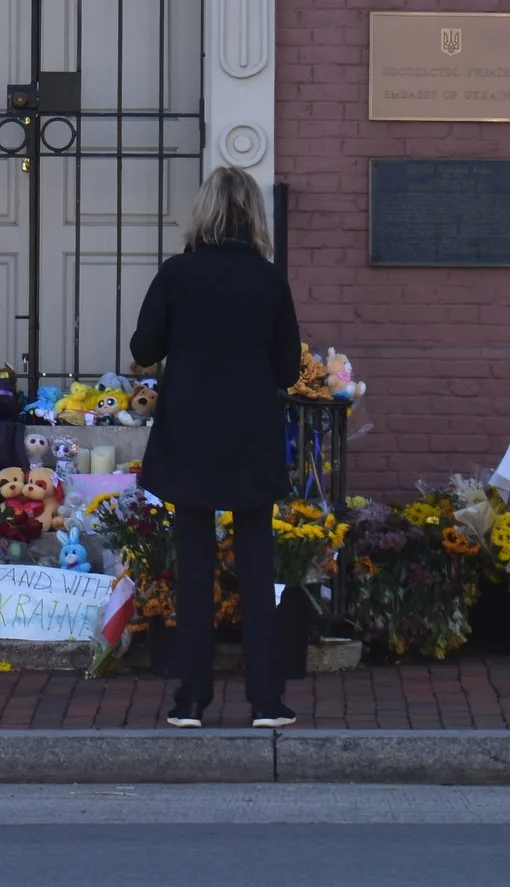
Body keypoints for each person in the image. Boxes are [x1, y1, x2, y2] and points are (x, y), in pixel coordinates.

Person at [129, 164, 300, 729]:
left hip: (191, 433)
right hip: (250, 434)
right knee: (256, 567)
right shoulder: (269, 279)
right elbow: (286, 366)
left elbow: (144, 345)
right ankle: (266, 701)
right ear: (254, 214)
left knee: (194, 568)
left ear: (204, 211)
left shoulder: (178, 273)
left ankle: (193, 699)